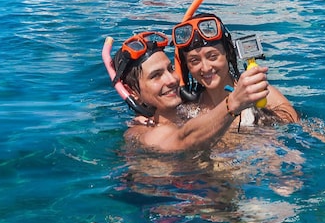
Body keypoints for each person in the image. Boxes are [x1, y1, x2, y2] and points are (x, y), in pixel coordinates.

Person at [105, 32, 271, 153]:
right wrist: (232, 104)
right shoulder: (140, 133)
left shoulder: (190, 109)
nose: (171, 79)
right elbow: (184, 140)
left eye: (170, 68)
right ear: (131, 92)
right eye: (156, 76)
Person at [173, 12, 299, 126]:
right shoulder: (188, 110)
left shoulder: (261, 94)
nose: (205, 68)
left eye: (212, 56)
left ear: (228, 54)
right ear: (186, 66)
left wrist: (260, 115)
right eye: (194, 61)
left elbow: (299, 131)